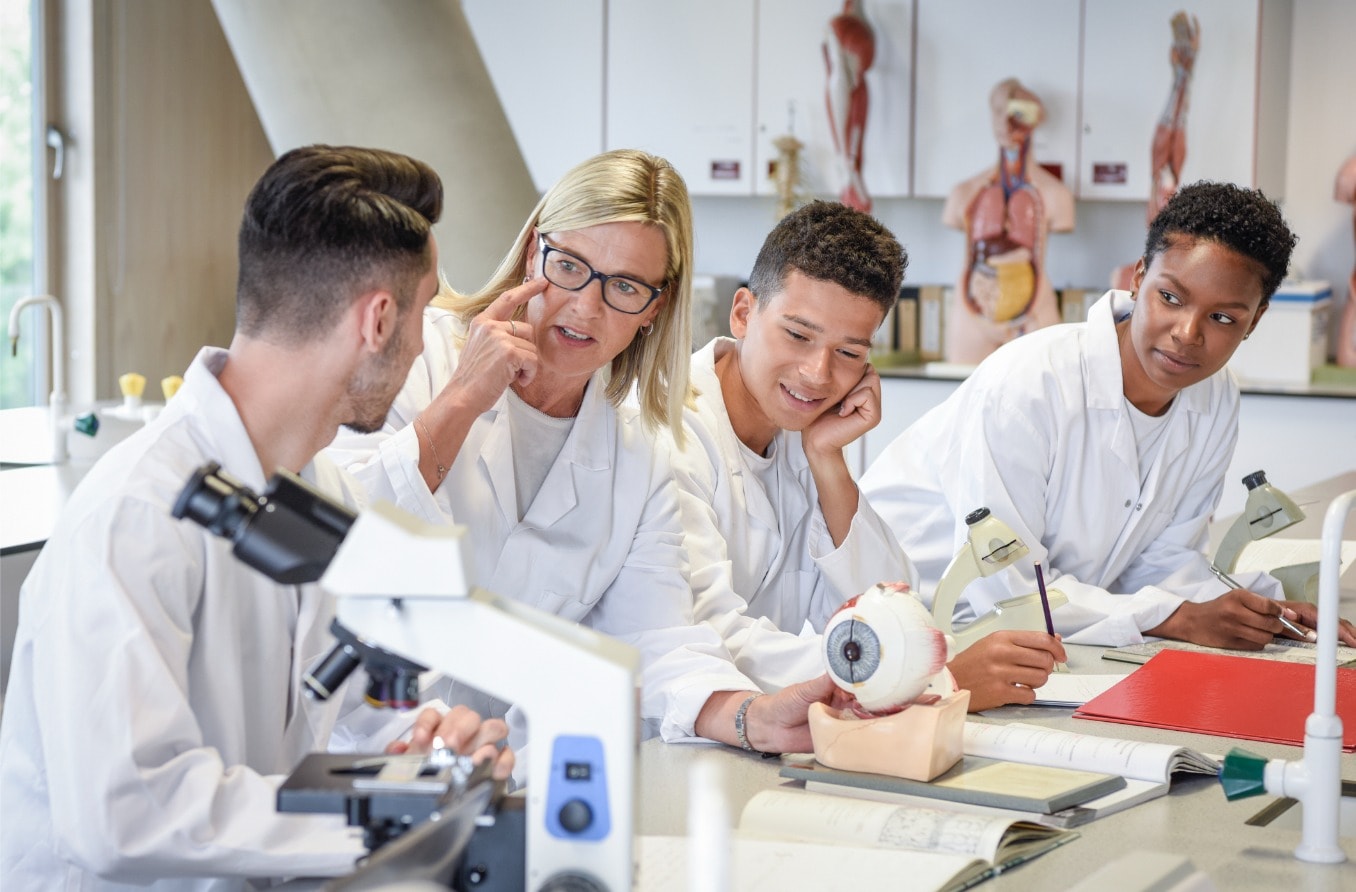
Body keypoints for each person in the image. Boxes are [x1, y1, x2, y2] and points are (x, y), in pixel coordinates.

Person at [0, 146, 513, 891]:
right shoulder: (135, 513)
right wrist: (383, 816)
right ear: (378, 320)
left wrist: (422, 744)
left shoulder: (321, 486)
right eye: (425, 311)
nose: (424, 343)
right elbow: (124, 813)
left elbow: (344, 709)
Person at [326, 149, 842, 757]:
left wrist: (755, 718)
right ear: (533, 252)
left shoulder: (640, 448)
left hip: (504, 765)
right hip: (365, 746)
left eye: (624, 286)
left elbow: (655, 634)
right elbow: (338, 532)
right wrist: (463, 399)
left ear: (654, 308)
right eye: (569, 266)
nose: (586, 307)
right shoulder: (421, 357)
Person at [862, 180, 1356, 655]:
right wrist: (1178, 618)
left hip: (1030, 635)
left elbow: (1162, 562)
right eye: (1170, 297)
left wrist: (1266, 611)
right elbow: (1007, 589)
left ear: (1255, 319)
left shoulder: (1214, 396)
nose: (1187, 333)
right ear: (1138, 278)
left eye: (1222, 317)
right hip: (898, 624)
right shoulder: (1029, 385)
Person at [677, 200, 1066, 711]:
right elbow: (713, 643)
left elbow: (894, 608)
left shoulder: (804, 433)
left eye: (849, 353)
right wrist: (930, 679)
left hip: (784, 731)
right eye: (798, 335)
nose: (818, 373)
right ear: (744, 313)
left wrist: (828, 458)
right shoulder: (672, 433)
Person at [943, 77, 1075, 364]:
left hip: (1033, 313)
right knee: (964, 389)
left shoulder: (1056, 195)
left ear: (1035, 118)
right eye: (999, 111)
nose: (1007, 122)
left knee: (1040, 388)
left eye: (1017, 111)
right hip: (973, 315)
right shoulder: (963, 193)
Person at [823, 0, 875, 212]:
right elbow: (839, 74)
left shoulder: (854, 25)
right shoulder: (841, 27)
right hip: (849, 97)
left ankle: (851, 191)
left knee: (849, 166)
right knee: (848, 167)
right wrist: (847, 159)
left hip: (855, 96)